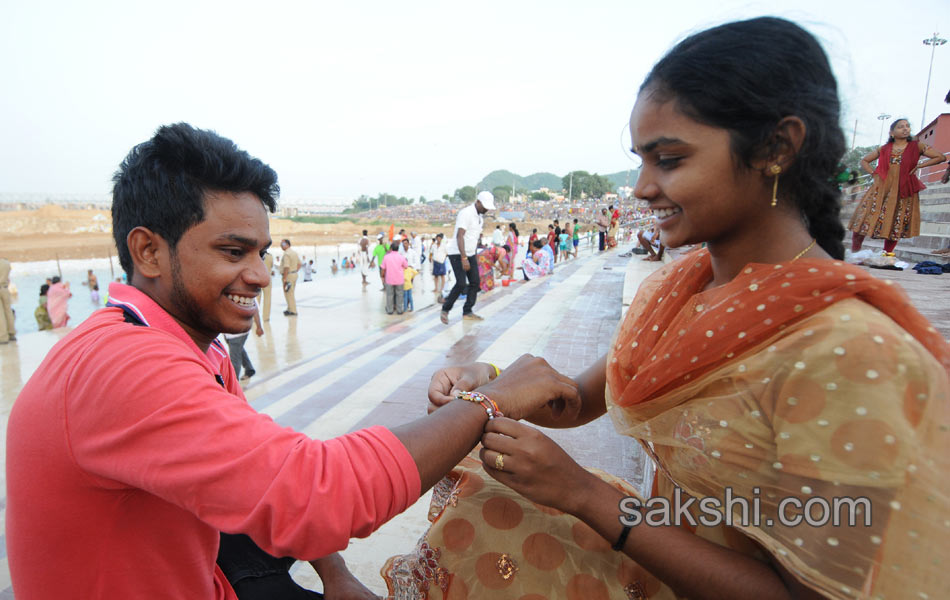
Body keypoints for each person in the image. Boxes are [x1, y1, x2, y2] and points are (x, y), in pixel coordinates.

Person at [400, 18, 950, 600]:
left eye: (668, 160)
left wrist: (585, 495)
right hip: (665, 549)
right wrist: (492, 381)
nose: (640, 187)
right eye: (640, 160)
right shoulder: (677, 290)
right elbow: (583, 399)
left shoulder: (845, 351)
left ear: (776, 149)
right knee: (488, 503)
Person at [6, 122, 582, 599]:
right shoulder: (122, 364)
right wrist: (490, 401)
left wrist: (335, 574)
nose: (257, 274)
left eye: (260, 251)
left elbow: (269, 471)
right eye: (232, 252)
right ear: (148, 250)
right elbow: (316, 493)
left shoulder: (190, 346)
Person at [848, 118, 946, 254]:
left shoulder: (917, 146)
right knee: (865, 218)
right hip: (881, 188)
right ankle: (855, 252)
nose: (905, 129)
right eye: (901, 127)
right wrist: (874, 174)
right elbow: (864, 160)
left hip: (903, 188)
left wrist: (920, 165)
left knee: (897, 220)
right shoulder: (883, 149)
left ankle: (887, 254)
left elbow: (941, 157)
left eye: (907, 126)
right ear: (892, 133)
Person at [440, 190, 494, 324]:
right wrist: (464, 258)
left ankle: (467, 311)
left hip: (470, 253)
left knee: (475, 282)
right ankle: (445, 309)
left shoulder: (479, 217)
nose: (487, 209)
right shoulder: (466, 213)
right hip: (457, 253)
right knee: (461, 283)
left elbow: (473, 238)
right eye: (485, 206)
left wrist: (473, 255)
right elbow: (460, 236)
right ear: (478, 202)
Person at [224, 306, 263, 381]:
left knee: (235, 358)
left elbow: (254, 309)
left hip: (238, 332)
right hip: (229, 332)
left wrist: (259, 327)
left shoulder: (244, 295)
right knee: (238, 350)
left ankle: (233, 383)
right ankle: (249, 369)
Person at [381, 241, 408, 315]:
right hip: (399, 279)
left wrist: (382, 277)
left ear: (391, 248)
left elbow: (383, 268)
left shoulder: (386, 257)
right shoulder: (401, 257)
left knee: (389, 295)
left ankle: (390, 310)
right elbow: (406, 266)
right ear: (398, 249)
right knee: (399, 295)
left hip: (389, 279)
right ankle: (399, 310)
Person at [279, 239, 300, 316]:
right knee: (291, 292)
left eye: (282, 244)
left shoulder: (287, 254)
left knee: (288, 293)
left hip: (288, 275)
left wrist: (285, 278)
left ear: (287, 244)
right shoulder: (294, 252)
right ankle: (289, 308)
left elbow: (286, 267)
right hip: (294, 274)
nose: (281, 246)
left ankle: (293, 311)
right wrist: (294, 271)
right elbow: (299, 264)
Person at [0, 256, 15, 343]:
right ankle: (11, 333)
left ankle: (3, 336)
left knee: (0, 314)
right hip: (5, 288)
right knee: (8, 311)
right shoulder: (6, 263)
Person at [430, 232, 448, 297]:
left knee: (442, 275)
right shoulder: (433, 245)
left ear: (441, 239)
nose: (438, 239)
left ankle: (442, 288)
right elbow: (431, 252)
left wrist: (443, 259)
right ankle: (436, 288)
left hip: (441, 262)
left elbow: (447, 253)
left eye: (440, 238)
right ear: (436, 239)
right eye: (437, 238)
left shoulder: (444, 245)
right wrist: (430, 258)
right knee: (435, 276)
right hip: (435, 261)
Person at [260, 250, 274, 321]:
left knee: (256, 299)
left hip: (258, 278)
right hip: (267, 278)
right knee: (267, 298)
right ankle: (266, 317)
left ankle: (254, 317)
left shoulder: (257, 255)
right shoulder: (270, 256)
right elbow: (271, 266)